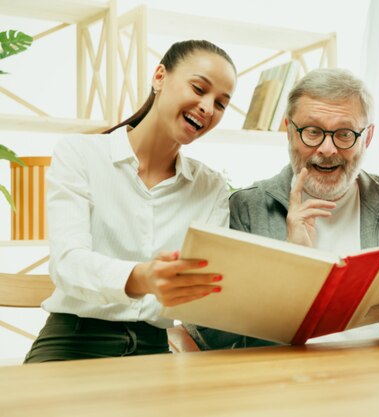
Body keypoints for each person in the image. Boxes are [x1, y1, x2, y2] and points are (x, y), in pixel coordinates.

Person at [185, 68, 379, 350]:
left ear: (367, 137)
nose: (327, 148)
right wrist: (289, 264)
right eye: (312, 132)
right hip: (281, 383)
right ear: (289, 130)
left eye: (344, 134)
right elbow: (206, 333)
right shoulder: (246, 208)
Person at [24, 40, 238, 363]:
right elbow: (67, 263)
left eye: (221, 104)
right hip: (72, 342)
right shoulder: (79, 155)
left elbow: (205, 290)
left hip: (153, 350)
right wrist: (142, 277)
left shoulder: (211, 187)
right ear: (160, 77)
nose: (208, 108)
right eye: (199, 88)